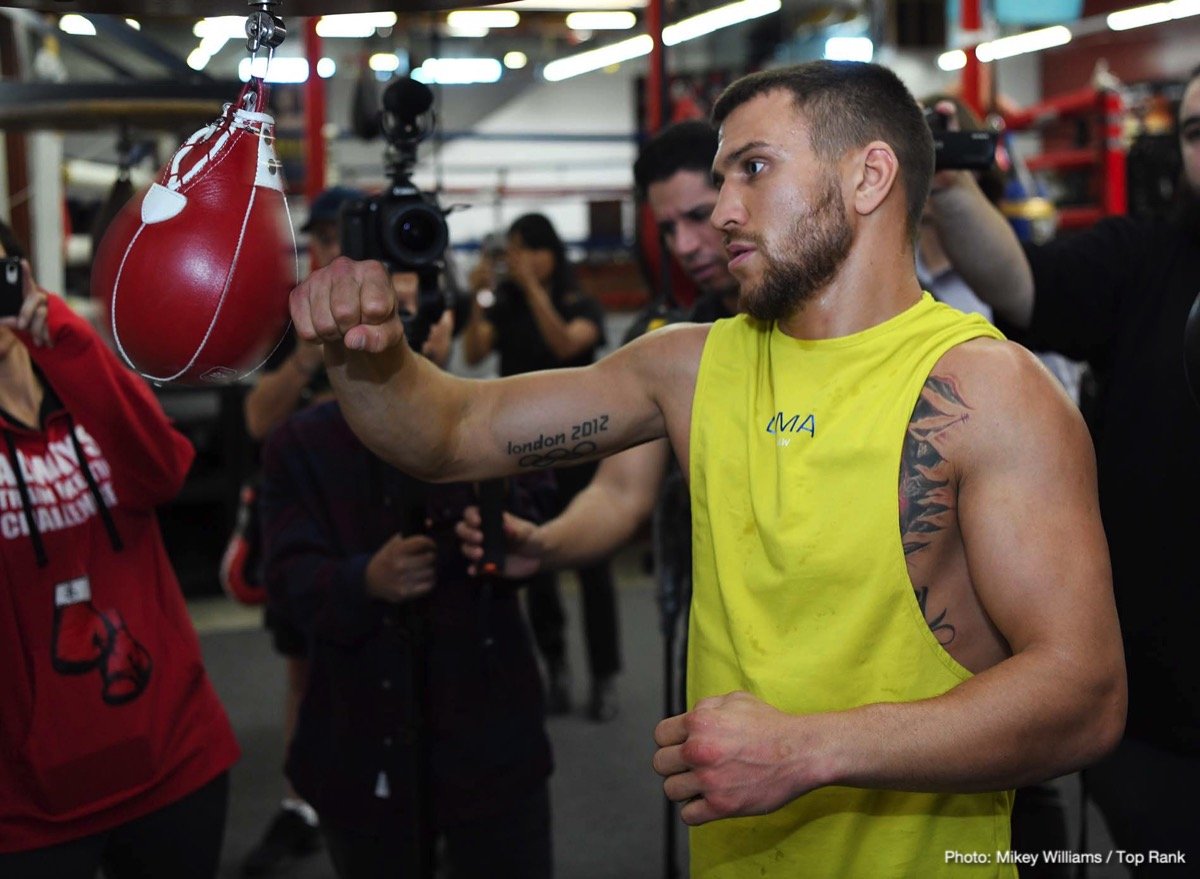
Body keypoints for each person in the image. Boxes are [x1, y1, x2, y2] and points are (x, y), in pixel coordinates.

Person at [290, 60, 1126, 877]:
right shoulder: (688, 368)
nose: (723, 211)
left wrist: (812, 748)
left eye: (753, 170)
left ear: (871, 176)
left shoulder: (990, 392)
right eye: (722, 177)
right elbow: (449, 430)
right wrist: (366, 353)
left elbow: (1084, 695)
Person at [928, 65, 1200, 873]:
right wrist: (949, 186)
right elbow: (1022, 286)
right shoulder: (1144, 258)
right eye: (1194, 132)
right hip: (1162, 717)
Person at [258, 286, 554, 879]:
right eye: (386, 305)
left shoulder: (494, 420)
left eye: (423, 306)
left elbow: (546, 521)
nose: (406, 323)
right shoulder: (304, 443)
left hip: (489, 737)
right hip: (363, 736)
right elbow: (286, 585)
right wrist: (363, 580)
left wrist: (514, 530)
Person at [0, 220, 239, 877]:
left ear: (24, 278)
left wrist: (71, 343)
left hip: (171, 754)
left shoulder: (84, 379)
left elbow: (162, 469)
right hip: (30, 802)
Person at [238, 185, 364, 876]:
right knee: (301, 666)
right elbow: (258, 419)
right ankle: (299, 802)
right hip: (306, 513)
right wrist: (310, 356)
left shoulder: (387, 302)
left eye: (340, 239)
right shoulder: (282, 320)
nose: (327, 252)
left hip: (372, 504)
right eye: (318, 240)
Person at [461, 213, 621, 722]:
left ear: (551, 252)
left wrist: (532, 289)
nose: (521, 260)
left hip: (580, 448)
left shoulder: (579, 302)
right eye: (513, 251)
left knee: (593, 565)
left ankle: (604, 677)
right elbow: (472, 352)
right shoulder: (504, 303)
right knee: (536, 563)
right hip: (523, 457)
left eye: (529, 249)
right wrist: (481, 297)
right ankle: (555, 668)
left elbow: (567, 345)